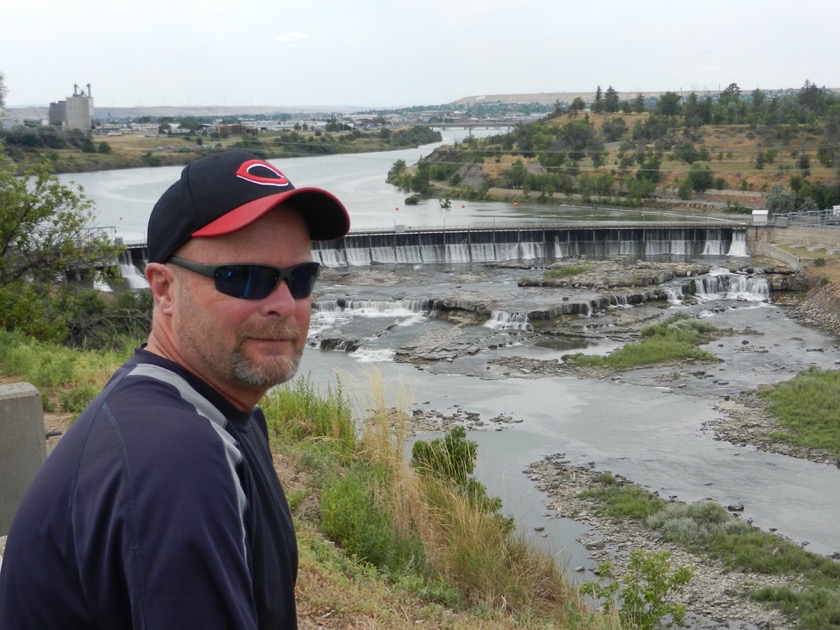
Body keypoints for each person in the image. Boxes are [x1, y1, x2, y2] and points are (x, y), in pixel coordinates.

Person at [0, 150, 350, 628]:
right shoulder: (176, 456)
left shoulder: (207, 415)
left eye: (301, 278)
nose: (284, 304)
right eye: (245, 278)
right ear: (163, 289)